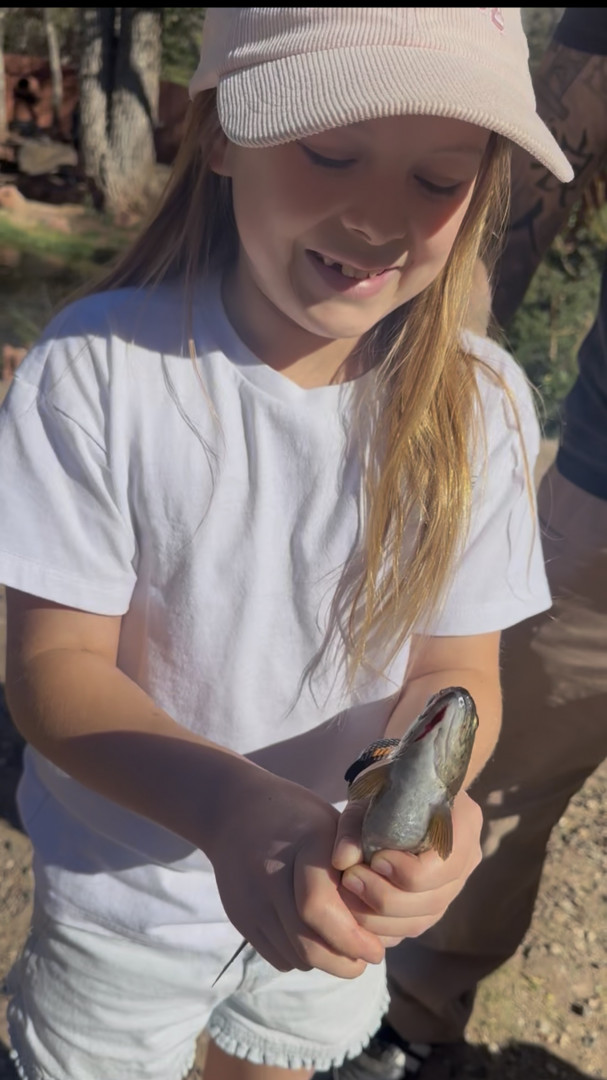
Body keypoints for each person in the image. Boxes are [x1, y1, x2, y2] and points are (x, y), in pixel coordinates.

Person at [0, 9, 572, 1080]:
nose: (377, 217)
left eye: (437, 179)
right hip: (126, 905)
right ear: (220, 133)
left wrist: (429, 817)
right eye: (330, 151)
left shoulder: (481, 404)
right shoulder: (100, 371)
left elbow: (457, 673)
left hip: (342, 892)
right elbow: (51, 670)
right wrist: (229, 809)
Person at [326, 8, 607, 1078]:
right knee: (492, 774)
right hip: (602, 497)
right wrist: (443, 354)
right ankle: (408, 1014)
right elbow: (557, 142)